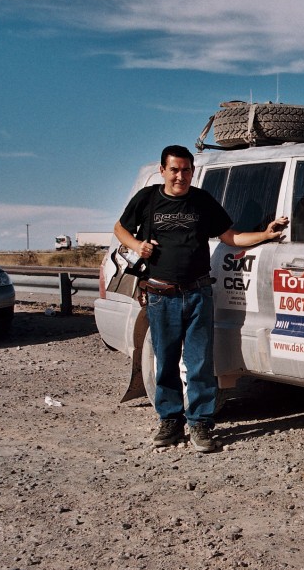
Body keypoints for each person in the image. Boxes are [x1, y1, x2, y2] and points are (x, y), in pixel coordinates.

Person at [114, 145, 289, 452]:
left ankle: (200, 425)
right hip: (160, 294)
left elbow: (230, 237)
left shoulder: (202, 201)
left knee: (200, 363)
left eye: (186, 170)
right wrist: (137, 245)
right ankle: (169, 421)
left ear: (192, 171)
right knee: (166, 362)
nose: (180, 176)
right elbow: (120, 228)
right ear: (163, 170)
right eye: (174, 169)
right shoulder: (148, 199)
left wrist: (265, 234)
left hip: (197, 292)